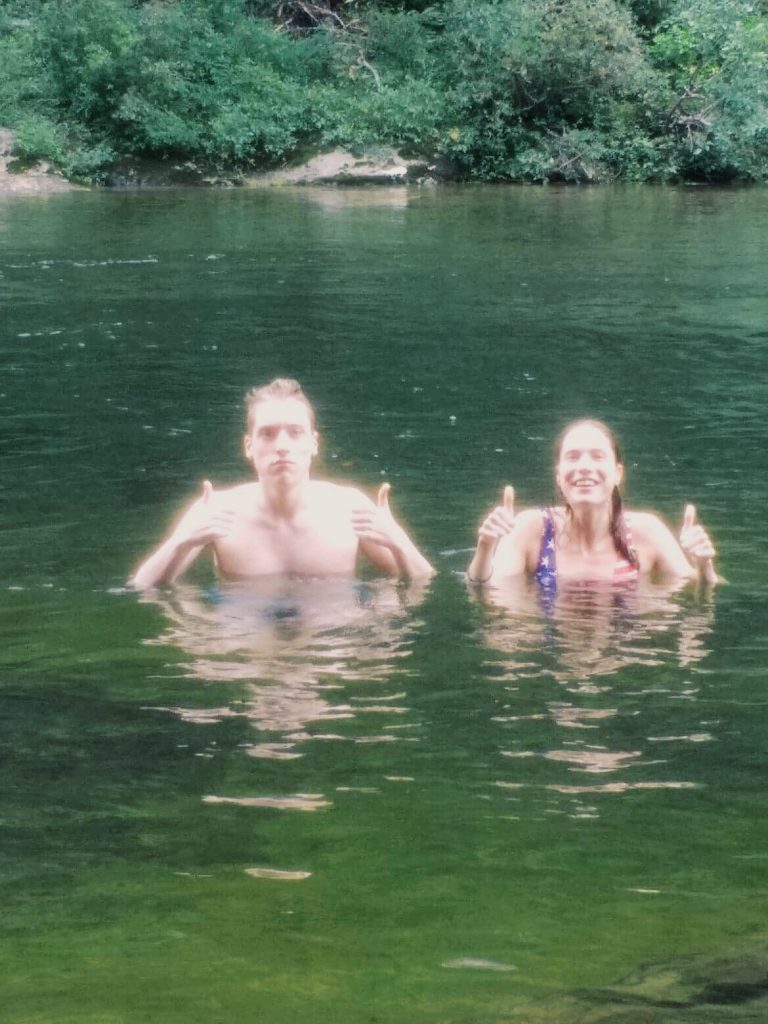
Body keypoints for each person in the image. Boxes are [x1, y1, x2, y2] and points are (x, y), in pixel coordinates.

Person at [130, 378, 433, 588]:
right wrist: (181, 540)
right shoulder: (219, 510)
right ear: (248, 446)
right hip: (245, 639)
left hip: (331, 641)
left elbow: (424, 582)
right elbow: (141, 587)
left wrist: (397, 539)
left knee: (385, 610)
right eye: (268, 433)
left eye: (295, 432)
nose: (282, 445)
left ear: (314, 443)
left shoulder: (349, 508)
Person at [468, 418, 718, 587]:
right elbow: (489, 593)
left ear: (618, 473)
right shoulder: (531, 528)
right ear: (558, 475)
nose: (585, 467)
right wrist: (486, 546)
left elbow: (699, 591)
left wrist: (704, 564)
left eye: (598, 457)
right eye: (573, 457)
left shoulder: (647, 532)